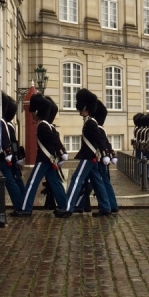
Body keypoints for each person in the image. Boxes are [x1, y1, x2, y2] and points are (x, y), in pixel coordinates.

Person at [56, 89, 112, 218]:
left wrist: (105, 154)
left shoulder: (91, 122)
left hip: (88, 157)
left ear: (85, 107)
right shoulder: (88, 121)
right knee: (97, 181)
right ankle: (106, 207)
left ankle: (68, 207)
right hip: (90, 156)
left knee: (76, 179)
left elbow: (99, 139)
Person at [14, 94, 67, 216]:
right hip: (49, 159)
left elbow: (53, 140)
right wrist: (60, 153)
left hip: (43, 159)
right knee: (55, 182)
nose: (32, 114)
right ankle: (64, 206)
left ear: (38, 111)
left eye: (33, 111)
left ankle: (26, 208)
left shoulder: (42, 125)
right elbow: (54, 139)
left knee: (32, 182)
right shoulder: (47, 124)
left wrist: (61, 151)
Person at [0, 92, 25, 212]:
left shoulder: (5, 124)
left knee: (13, 181)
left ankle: (21, 204)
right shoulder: (8, 123)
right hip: (10, 156)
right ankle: (22, 203)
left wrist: (14, 157)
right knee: (15, 180)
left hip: (7, 157)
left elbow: (12, 142)